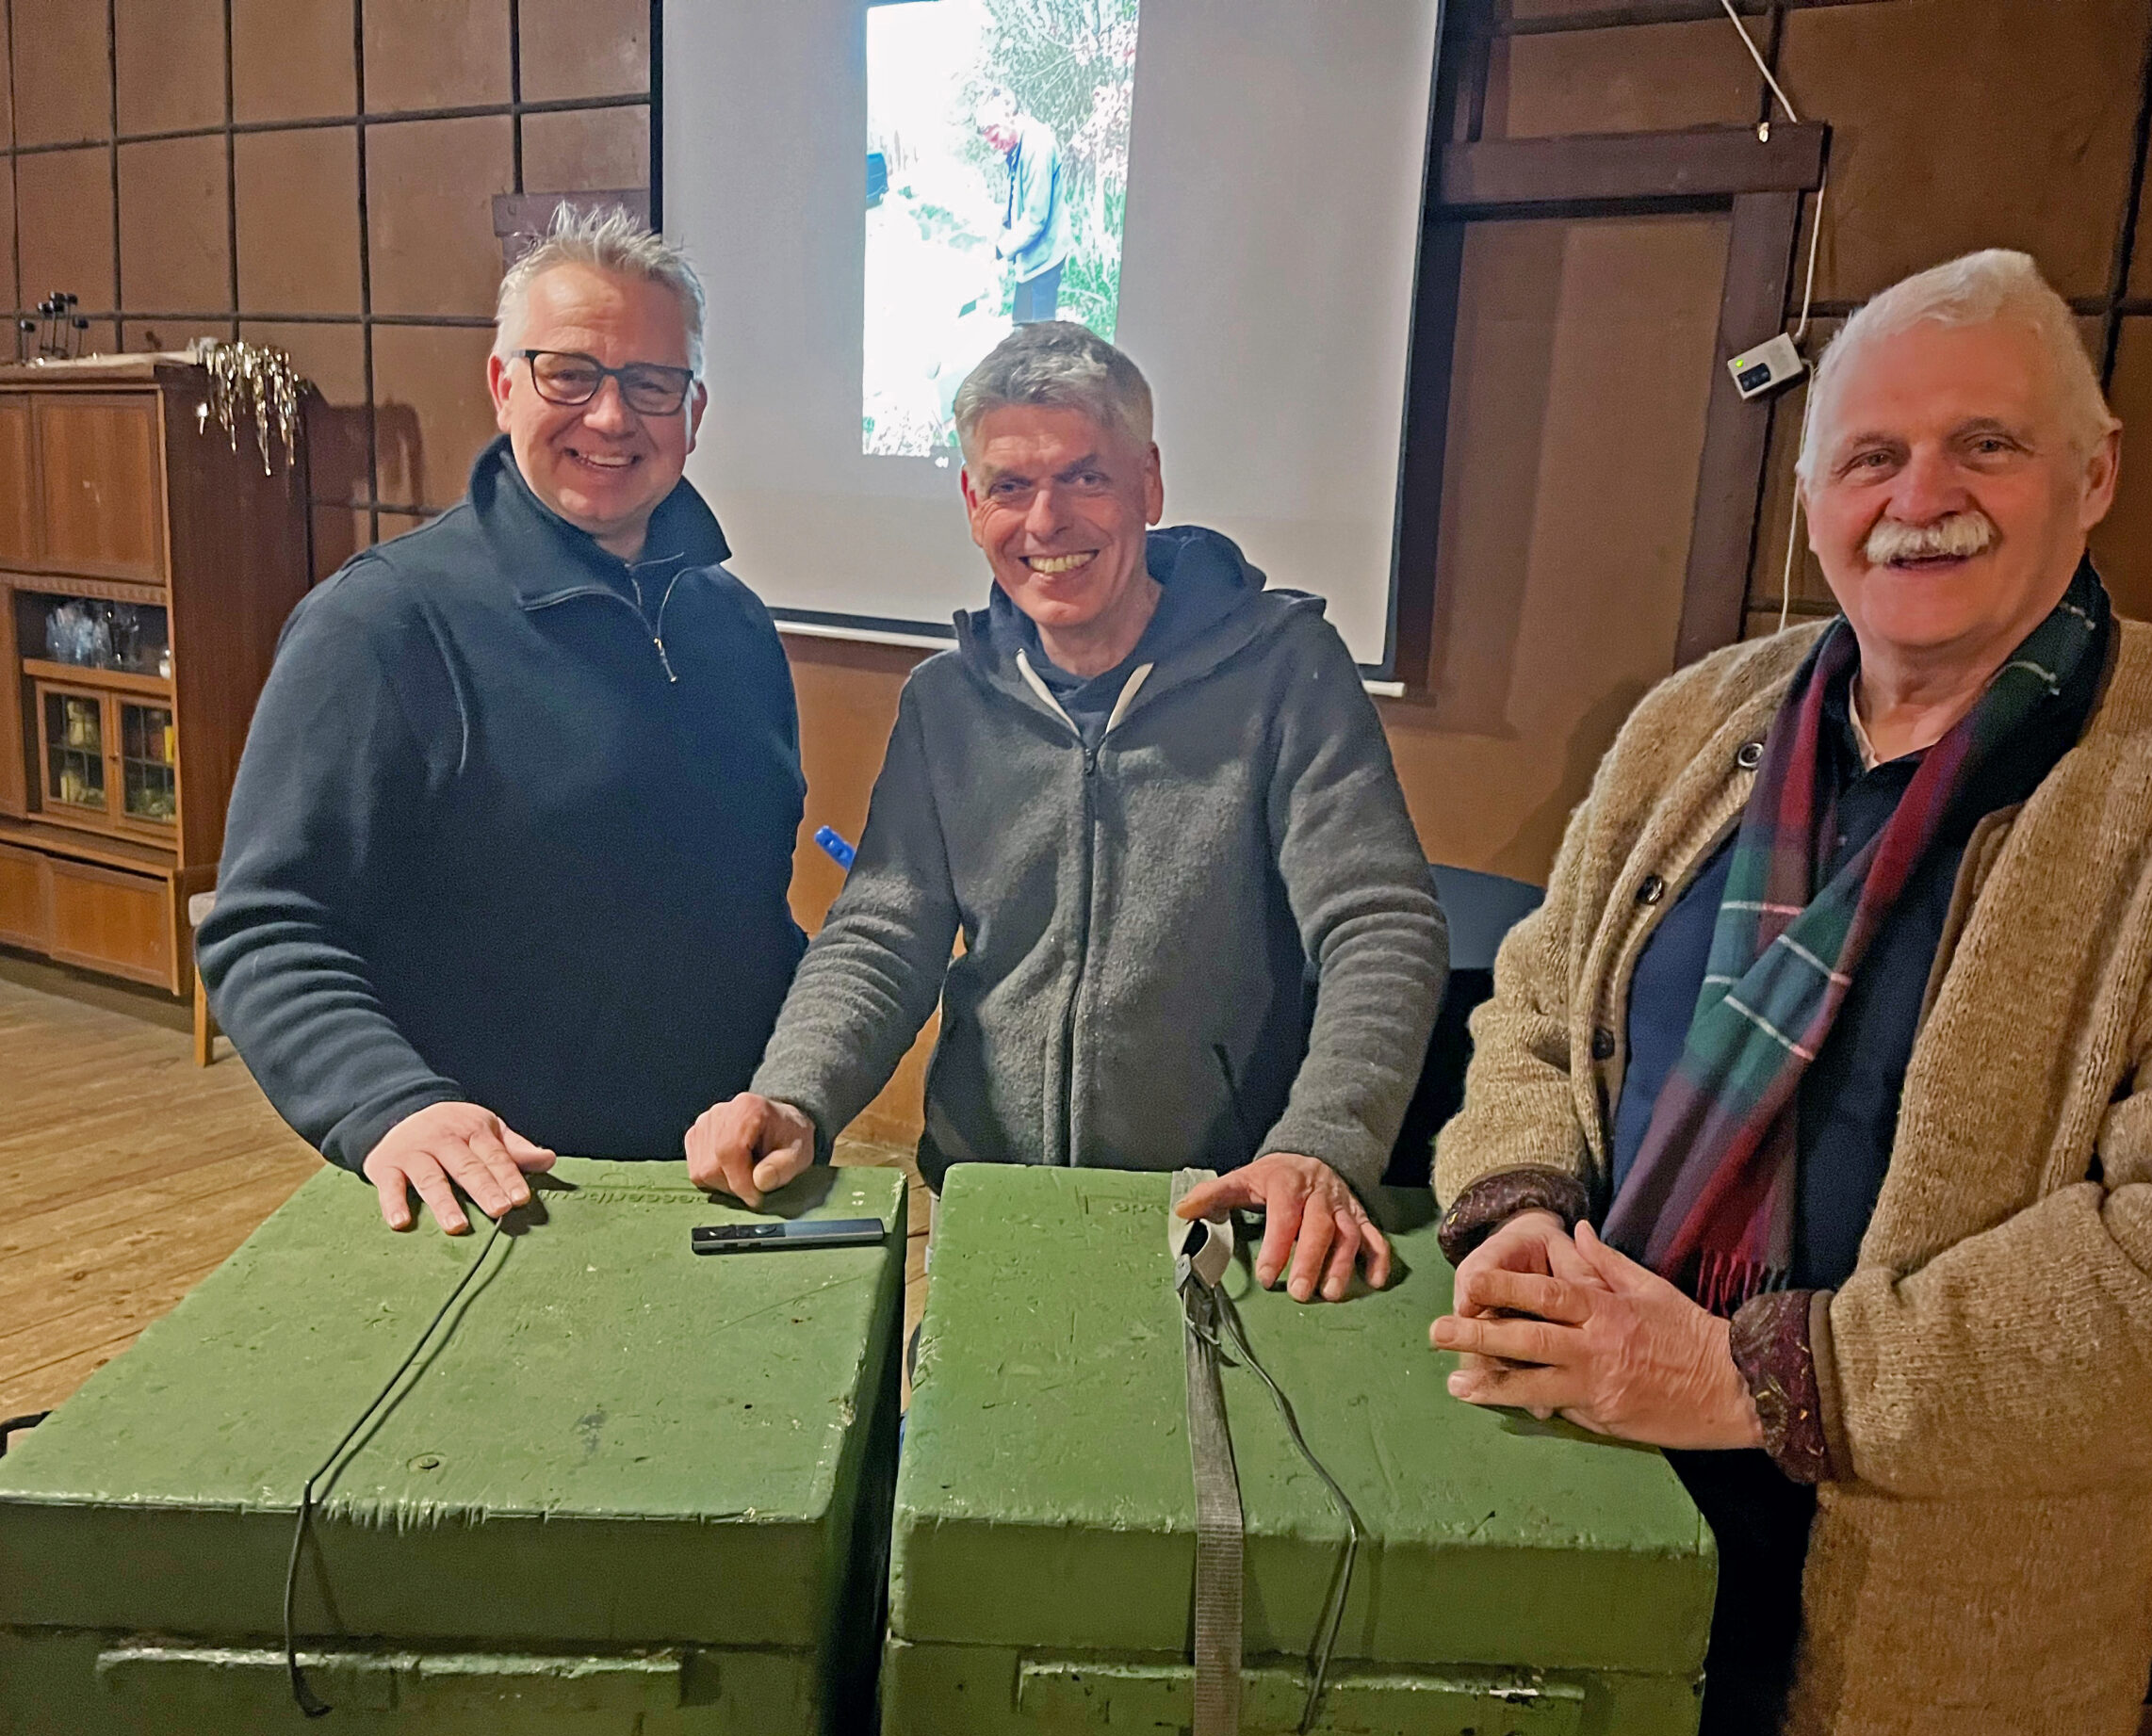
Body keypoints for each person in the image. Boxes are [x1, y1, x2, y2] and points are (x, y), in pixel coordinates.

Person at [1427, 249, 2152, 1736]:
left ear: (2092, 474)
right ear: (1813, 497)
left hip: (1932, 1677)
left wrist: (1762, 1381)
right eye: (1872, 455)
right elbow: (1533, 1003)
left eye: (1988, 443)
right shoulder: (1692, 724)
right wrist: (1513, 1207)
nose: (1925, 495)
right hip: (1595, 1523)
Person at [688, 322, 1447, 1305]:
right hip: (984, 1192)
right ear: (972, 503)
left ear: (1149, 484)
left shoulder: (1284, 673)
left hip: (1215, 1202)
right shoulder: (944, 703)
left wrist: (1325, 1143)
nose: (1046, 520)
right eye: (1010, 485)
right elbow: (882, 932)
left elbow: (1380, 923)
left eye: (1085, 478)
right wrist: (794, 1093)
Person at [199, 205, 807, 1236]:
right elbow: (268, 926)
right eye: (569, 373)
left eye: (651, 384)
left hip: (727, 1188)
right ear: (502, 385)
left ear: (693, 411)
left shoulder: (736, 628)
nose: (611, 417)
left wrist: (799, 1083)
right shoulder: (382, 624)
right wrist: (391, 1106)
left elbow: (744, 911)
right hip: (504, 1203)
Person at [978, 93, 1071, 324]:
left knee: (1039, 342)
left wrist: (999, 250)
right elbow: (1016, 199)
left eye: (995, 137)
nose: (994, 146)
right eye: (989, 142)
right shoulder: (1017, 145)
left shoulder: (1038, 146)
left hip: (1046, 260)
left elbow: (1035, 219)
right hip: (1031, 259)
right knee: (1020, 329)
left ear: (1009, 117)